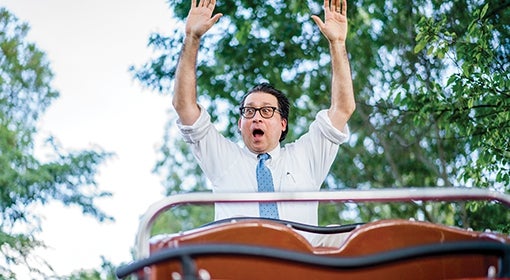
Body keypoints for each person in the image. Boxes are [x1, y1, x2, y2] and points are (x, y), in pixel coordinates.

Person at [172, 0, 355, 246]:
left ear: (282, 124)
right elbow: (184, 107)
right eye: (249, 111)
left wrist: (337, 43)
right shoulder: (224, 158)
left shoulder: (306, 157)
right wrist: (192, 37)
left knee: (344, 235)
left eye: (267, 111)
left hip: (300, 261)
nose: (257, 116)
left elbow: (343, 108)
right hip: (242, 263)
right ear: (240, 124)